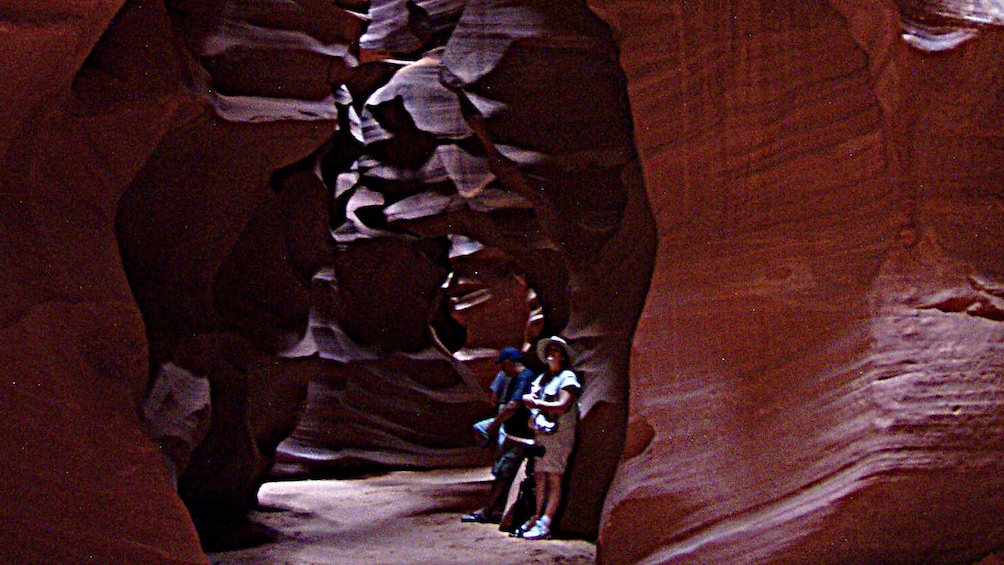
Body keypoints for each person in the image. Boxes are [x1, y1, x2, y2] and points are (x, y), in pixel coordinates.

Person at [515, 336, 581, 540]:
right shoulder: (542, 379)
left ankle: (546, 523)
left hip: (558, 436)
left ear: (562, 356)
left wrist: (536, 404)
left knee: (554, 477)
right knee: (540, 477)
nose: (551, 353)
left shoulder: (567, 378)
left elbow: (563, 405)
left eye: (556, 350)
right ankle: (536, 517)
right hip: (541, 435)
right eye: (549, 350)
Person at [461, 347, 535, 524]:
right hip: (515, 433)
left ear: (509, 362)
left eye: (502, 365)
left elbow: (512, 407)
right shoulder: (522, 376)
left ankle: (487, 512)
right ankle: (496, 510)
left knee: (503, 473)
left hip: (518, 436)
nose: (502, 369)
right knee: (504, 473)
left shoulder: (523, 378)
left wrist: (494, 425)